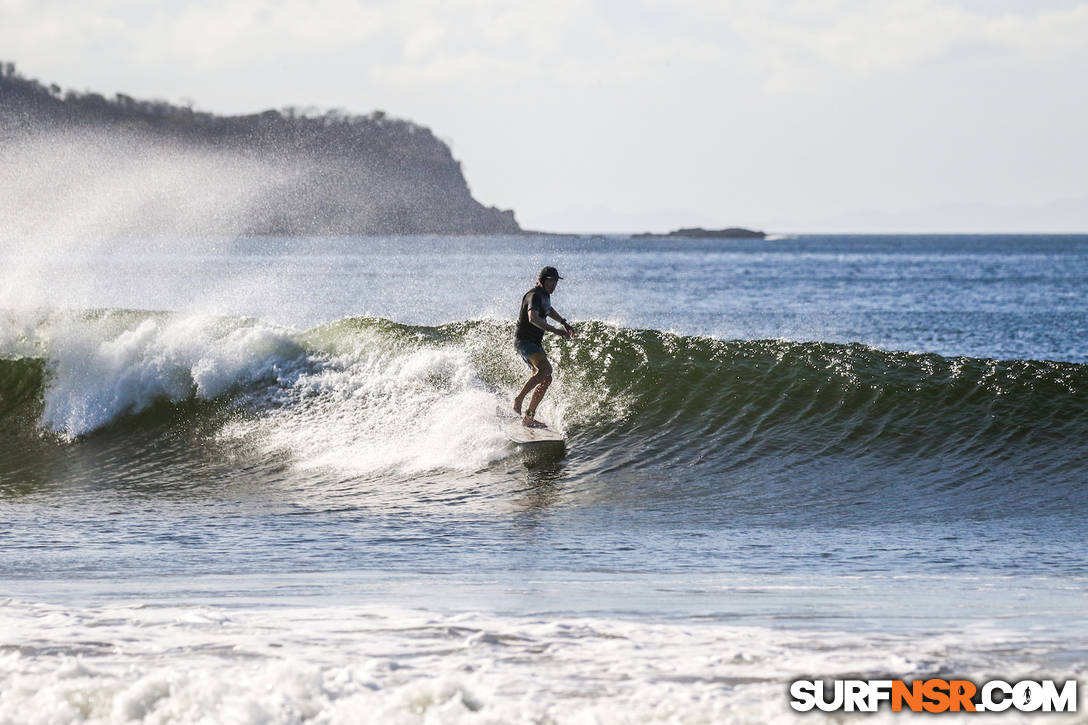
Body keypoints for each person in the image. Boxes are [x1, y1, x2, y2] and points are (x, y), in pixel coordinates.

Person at [513, 266, 575, 428]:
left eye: (555, 281)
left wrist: (564, 323)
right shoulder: (533, 295)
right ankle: (519, 399)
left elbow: (548, 309)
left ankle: (529, 417)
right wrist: (555, 330)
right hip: (525, 342)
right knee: (546, 370)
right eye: (550, 281)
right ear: (542, 281)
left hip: (534, 343)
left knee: (546, 378)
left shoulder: (545, 296)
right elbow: (532, 318)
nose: (554, 284)